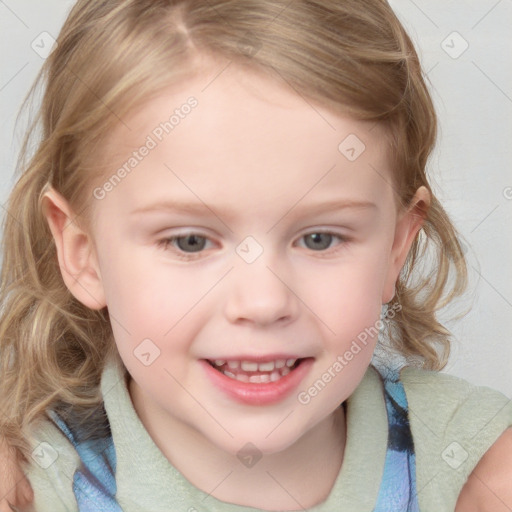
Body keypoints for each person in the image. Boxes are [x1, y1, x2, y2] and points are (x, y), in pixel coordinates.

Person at [0, 0, 511, 510]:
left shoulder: (477, 466)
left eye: (320, 239)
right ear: (83, 254)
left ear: (396, 247)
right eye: (190, 241)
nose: (264, 302)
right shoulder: (32, 485)